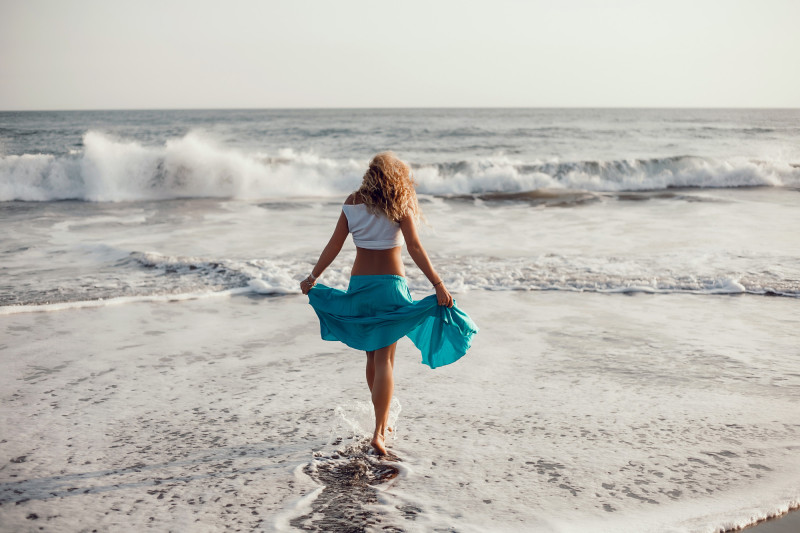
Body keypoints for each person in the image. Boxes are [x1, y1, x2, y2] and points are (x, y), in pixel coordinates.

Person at [300, 152, 478, 455]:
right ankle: (379, 432)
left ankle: (381, 422)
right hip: (391, 288)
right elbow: (415, 248)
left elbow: (334, 245)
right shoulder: (399, 203)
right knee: (385, 361)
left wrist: (312, 277)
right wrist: (438, 284)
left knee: (373, 360)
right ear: (395, 176)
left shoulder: (353, 201)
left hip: (360, 288)